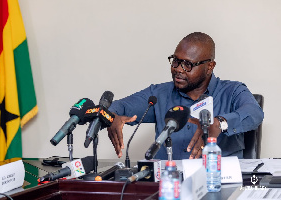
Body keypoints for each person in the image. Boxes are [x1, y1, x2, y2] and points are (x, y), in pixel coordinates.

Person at [107, 32, 264, 160]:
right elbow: (120, 107)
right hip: (169, 185)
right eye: (175, 61)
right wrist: (112, 116)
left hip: (218, 183)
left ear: (210, 66)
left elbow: (255, 113)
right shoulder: (158, 94)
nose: (178, 70)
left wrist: (219, 124)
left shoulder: (232, 91)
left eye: (187, 65)